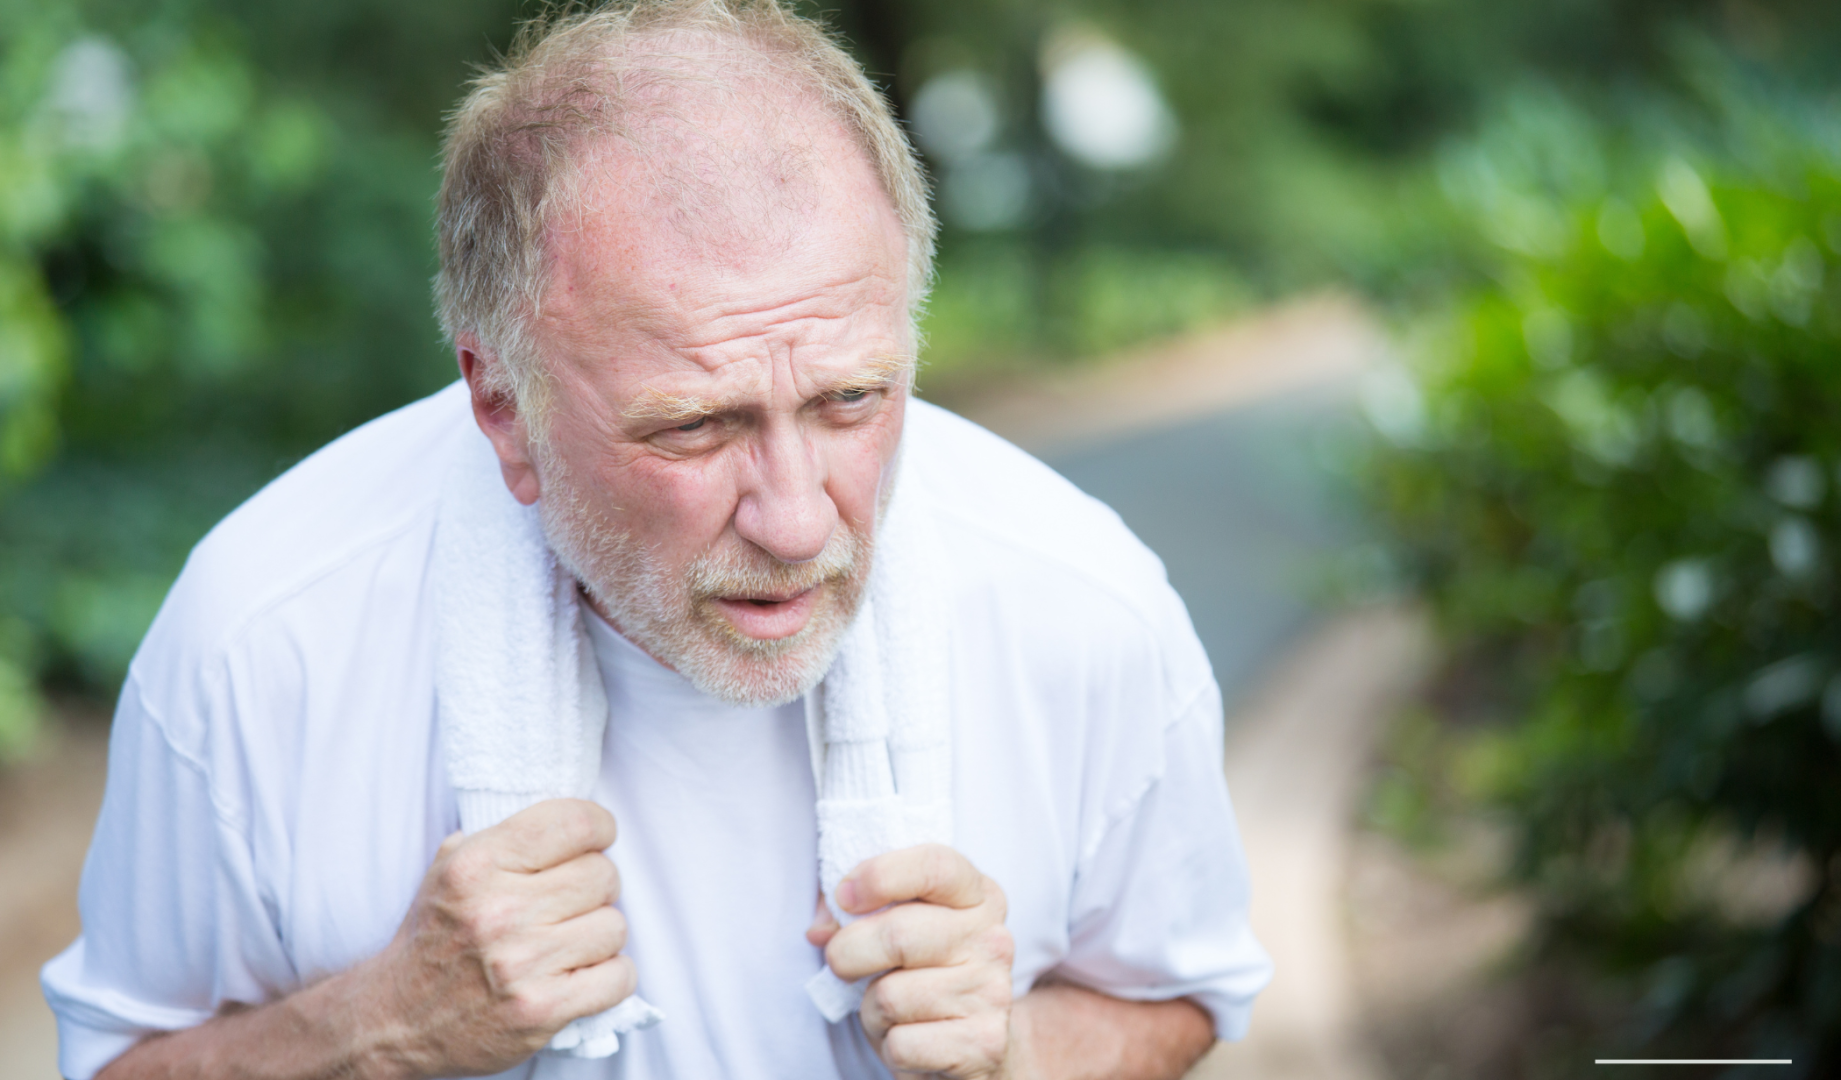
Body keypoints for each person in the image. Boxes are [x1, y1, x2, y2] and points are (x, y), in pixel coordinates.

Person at [41, 2, 1271, 1077]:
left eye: (851, 400)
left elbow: (1174, 995)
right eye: (693, 426)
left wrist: (1016, 1053)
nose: (796, 520)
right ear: (502, 409)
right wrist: (375, 1029)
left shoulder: (1083, 603)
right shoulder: (265, 639)